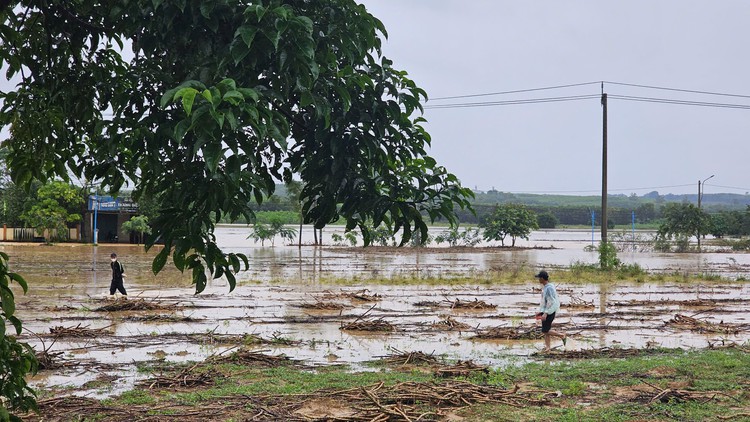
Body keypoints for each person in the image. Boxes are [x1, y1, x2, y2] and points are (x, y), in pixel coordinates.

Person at [535, 270, 565, 352]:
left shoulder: (549, 288)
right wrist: (540, 311)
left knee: (545, 330)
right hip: (546, 311)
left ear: (542, 278)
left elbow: (552, 301)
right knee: (545, 331)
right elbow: (545, 301)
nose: (538, 280)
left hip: (550, 311)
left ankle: (561, 335)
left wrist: (545, 313)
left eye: (539, 278)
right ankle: (548, 348)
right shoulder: (546, 287)